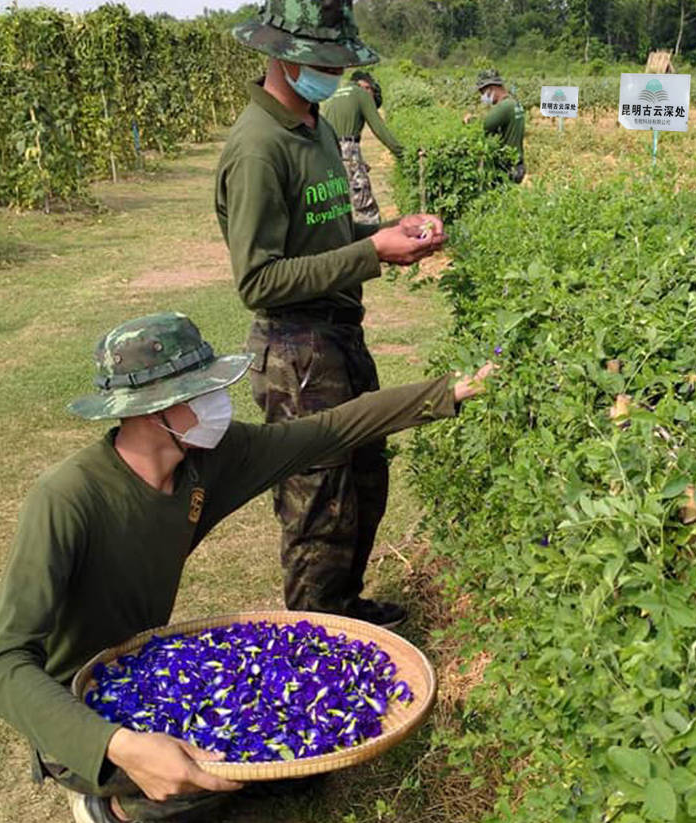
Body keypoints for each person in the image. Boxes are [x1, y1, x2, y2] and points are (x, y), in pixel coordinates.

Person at [0, 312, 494, 823]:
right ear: (151, 410)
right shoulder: (68, 499)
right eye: (200, 394)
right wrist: (119, 745)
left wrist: (450, 391)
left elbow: (328, 430)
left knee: (286, 751)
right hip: (80, 706)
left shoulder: (207, 459)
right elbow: (1, 667)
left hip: (155, 669)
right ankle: (106, 803)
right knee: (200, 781)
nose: (217, 403)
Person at [215, 0, 447, 629]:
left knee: (365, 485)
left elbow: (327, 233)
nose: (332, 72)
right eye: (321, 60)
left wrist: (386, 233)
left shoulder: (314, 125)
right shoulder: (259, 149)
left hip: (339, 335)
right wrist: (371, 252)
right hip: (296, 352)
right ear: (280, 57)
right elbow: (258, 279)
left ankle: (344, 609)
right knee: (319, 508)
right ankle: (317, 643)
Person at [323, 69, 405, 224]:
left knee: (339, 205)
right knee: (366, 207)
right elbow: (379, 128)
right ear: (365, 86)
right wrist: (401, 153)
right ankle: (373, 244)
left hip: (328, 150)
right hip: (348, 149)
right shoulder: (360, 93)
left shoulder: (335, 94)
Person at [470, 69, 526, 183]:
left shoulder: (504, 107)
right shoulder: (515, 103)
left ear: (491, 88)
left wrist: (470, 121)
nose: (483, 97)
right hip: (518, 163)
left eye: (483, 92)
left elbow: (483, 127)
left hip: (507, 167)